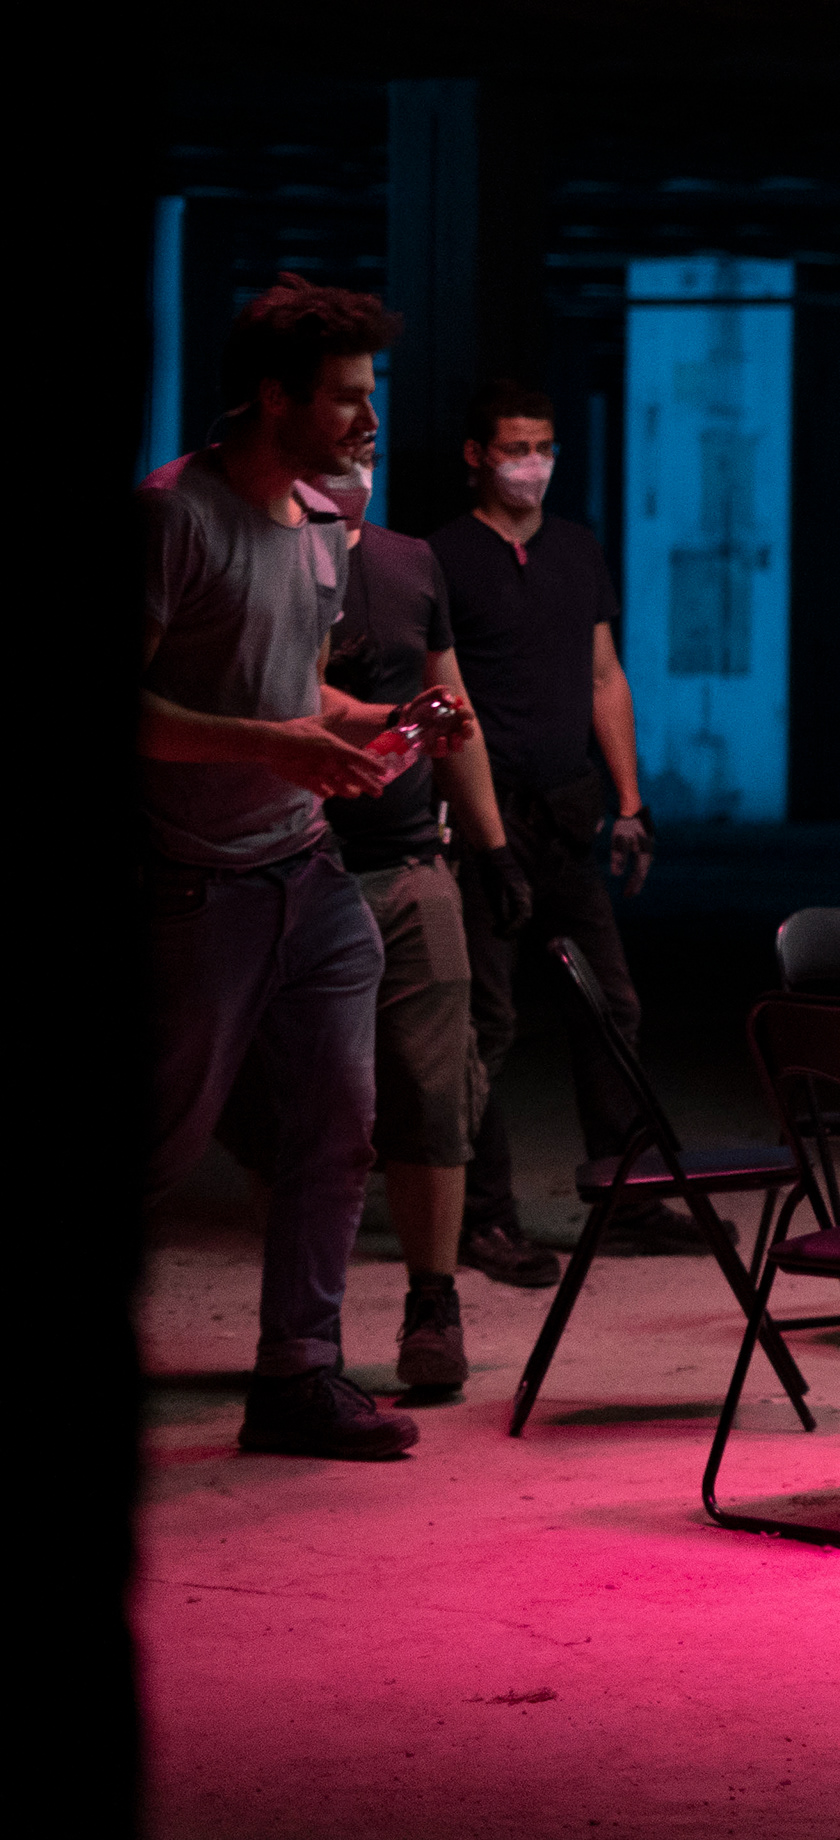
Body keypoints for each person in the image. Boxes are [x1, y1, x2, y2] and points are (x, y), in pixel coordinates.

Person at [140, 276, 454, 1458]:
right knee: (164, 1140)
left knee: (338, 1120)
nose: (367, 421)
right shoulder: (175, 519)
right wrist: (270, 745)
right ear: (272, 396)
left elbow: (291, 689)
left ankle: (299, 1375)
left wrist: (381, 720)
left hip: (307, 875)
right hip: (190, 881)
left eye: (370, 396)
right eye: (343, 399)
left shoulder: (323, 524)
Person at [432, 380, 668, 1270]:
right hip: (483, 824)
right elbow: (442, 697)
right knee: (483, 1022)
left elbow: (605, 677)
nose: (532, 465)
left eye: (544, 448)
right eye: (515, 448)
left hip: (570, 813)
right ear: (476, 456)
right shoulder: (441, 559)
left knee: (611, 1006)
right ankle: (482, 1217)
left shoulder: (575, 550)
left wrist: (631, 803)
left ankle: (629, 1200)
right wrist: (475, 833)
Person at [316, 440, 533, 1392]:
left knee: (438, 1087)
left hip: (411, 864)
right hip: (298, 864)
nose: (361, 450)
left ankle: (432, 1303)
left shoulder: (409, 564)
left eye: (371, 434)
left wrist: (492, 850)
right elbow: (272, 694)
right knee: (306, 1105)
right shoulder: (265, 555)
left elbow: (455, 709)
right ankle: (306, 1326)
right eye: (346, 428)